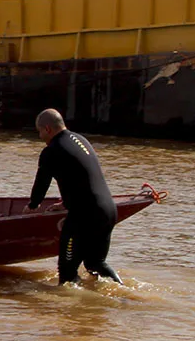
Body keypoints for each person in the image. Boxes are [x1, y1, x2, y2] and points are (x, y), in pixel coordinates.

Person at [24, 108, 123, 285]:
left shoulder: (51, 150)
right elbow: (81, 176)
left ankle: (68, 309)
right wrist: (66, 203)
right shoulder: (81, 140)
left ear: (47, 129)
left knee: (67, 275)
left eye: (39, 131)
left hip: (85, 216)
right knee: (95, 263)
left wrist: (32, 205)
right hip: (107, 211)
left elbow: (42, 183)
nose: (40, 136)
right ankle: (123, 295)